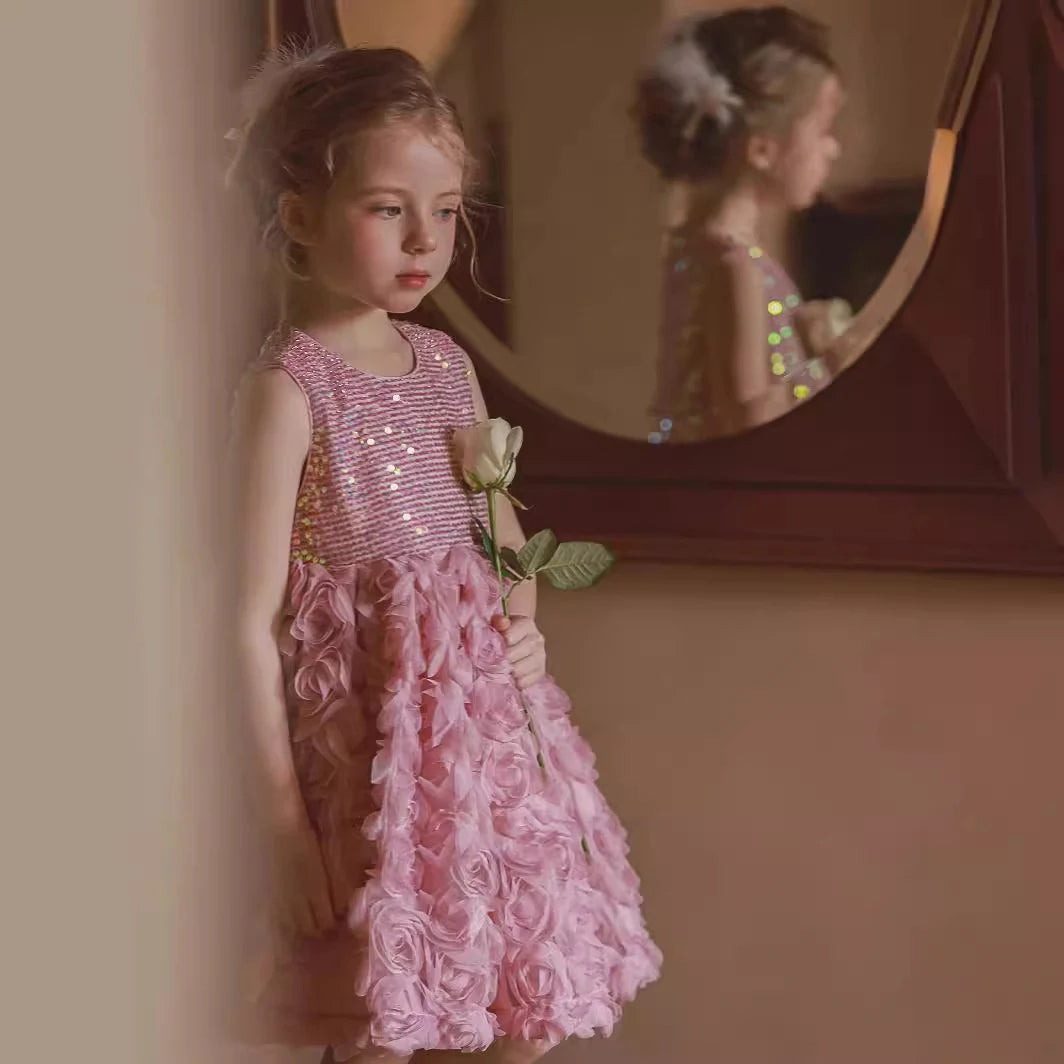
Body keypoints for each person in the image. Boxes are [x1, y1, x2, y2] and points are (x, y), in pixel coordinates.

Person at [225, 43, 662, 1064]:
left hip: (481, 751)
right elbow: (242, 620)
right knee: (378, 1016)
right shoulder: (290, 388)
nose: (426, 239)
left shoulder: (447, 368)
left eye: (447, 208)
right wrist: (284, 832)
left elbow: (498, 536)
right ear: (298, 217)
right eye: (386, 208)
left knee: (525, 1000)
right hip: (367, 756)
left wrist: (524, 631)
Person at [634, 6, 851, 443]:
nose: (834, 149)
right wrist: (831, 361)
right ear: (764, 151)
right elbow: (747, 419)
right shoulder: (734, 265)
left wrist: (798, 335)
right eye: (824, 129)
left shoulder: (694, 244)